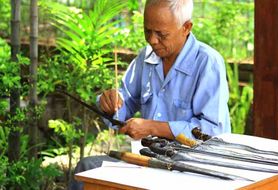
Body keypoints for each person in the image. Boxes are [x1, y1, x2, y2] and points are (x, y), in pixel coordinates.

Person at [70, 0, 230, 189]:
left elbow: (212, 130)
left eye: (161, 34)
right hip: (149, 159)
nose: (152, 40)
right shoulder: (146, 57)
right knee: (86, 170)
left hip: (193, 167)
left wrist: (153, 128)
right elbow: (124, 103)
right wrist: (112, 102)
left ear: (186, 27)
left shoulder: (207, 62)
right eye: (147, 31)